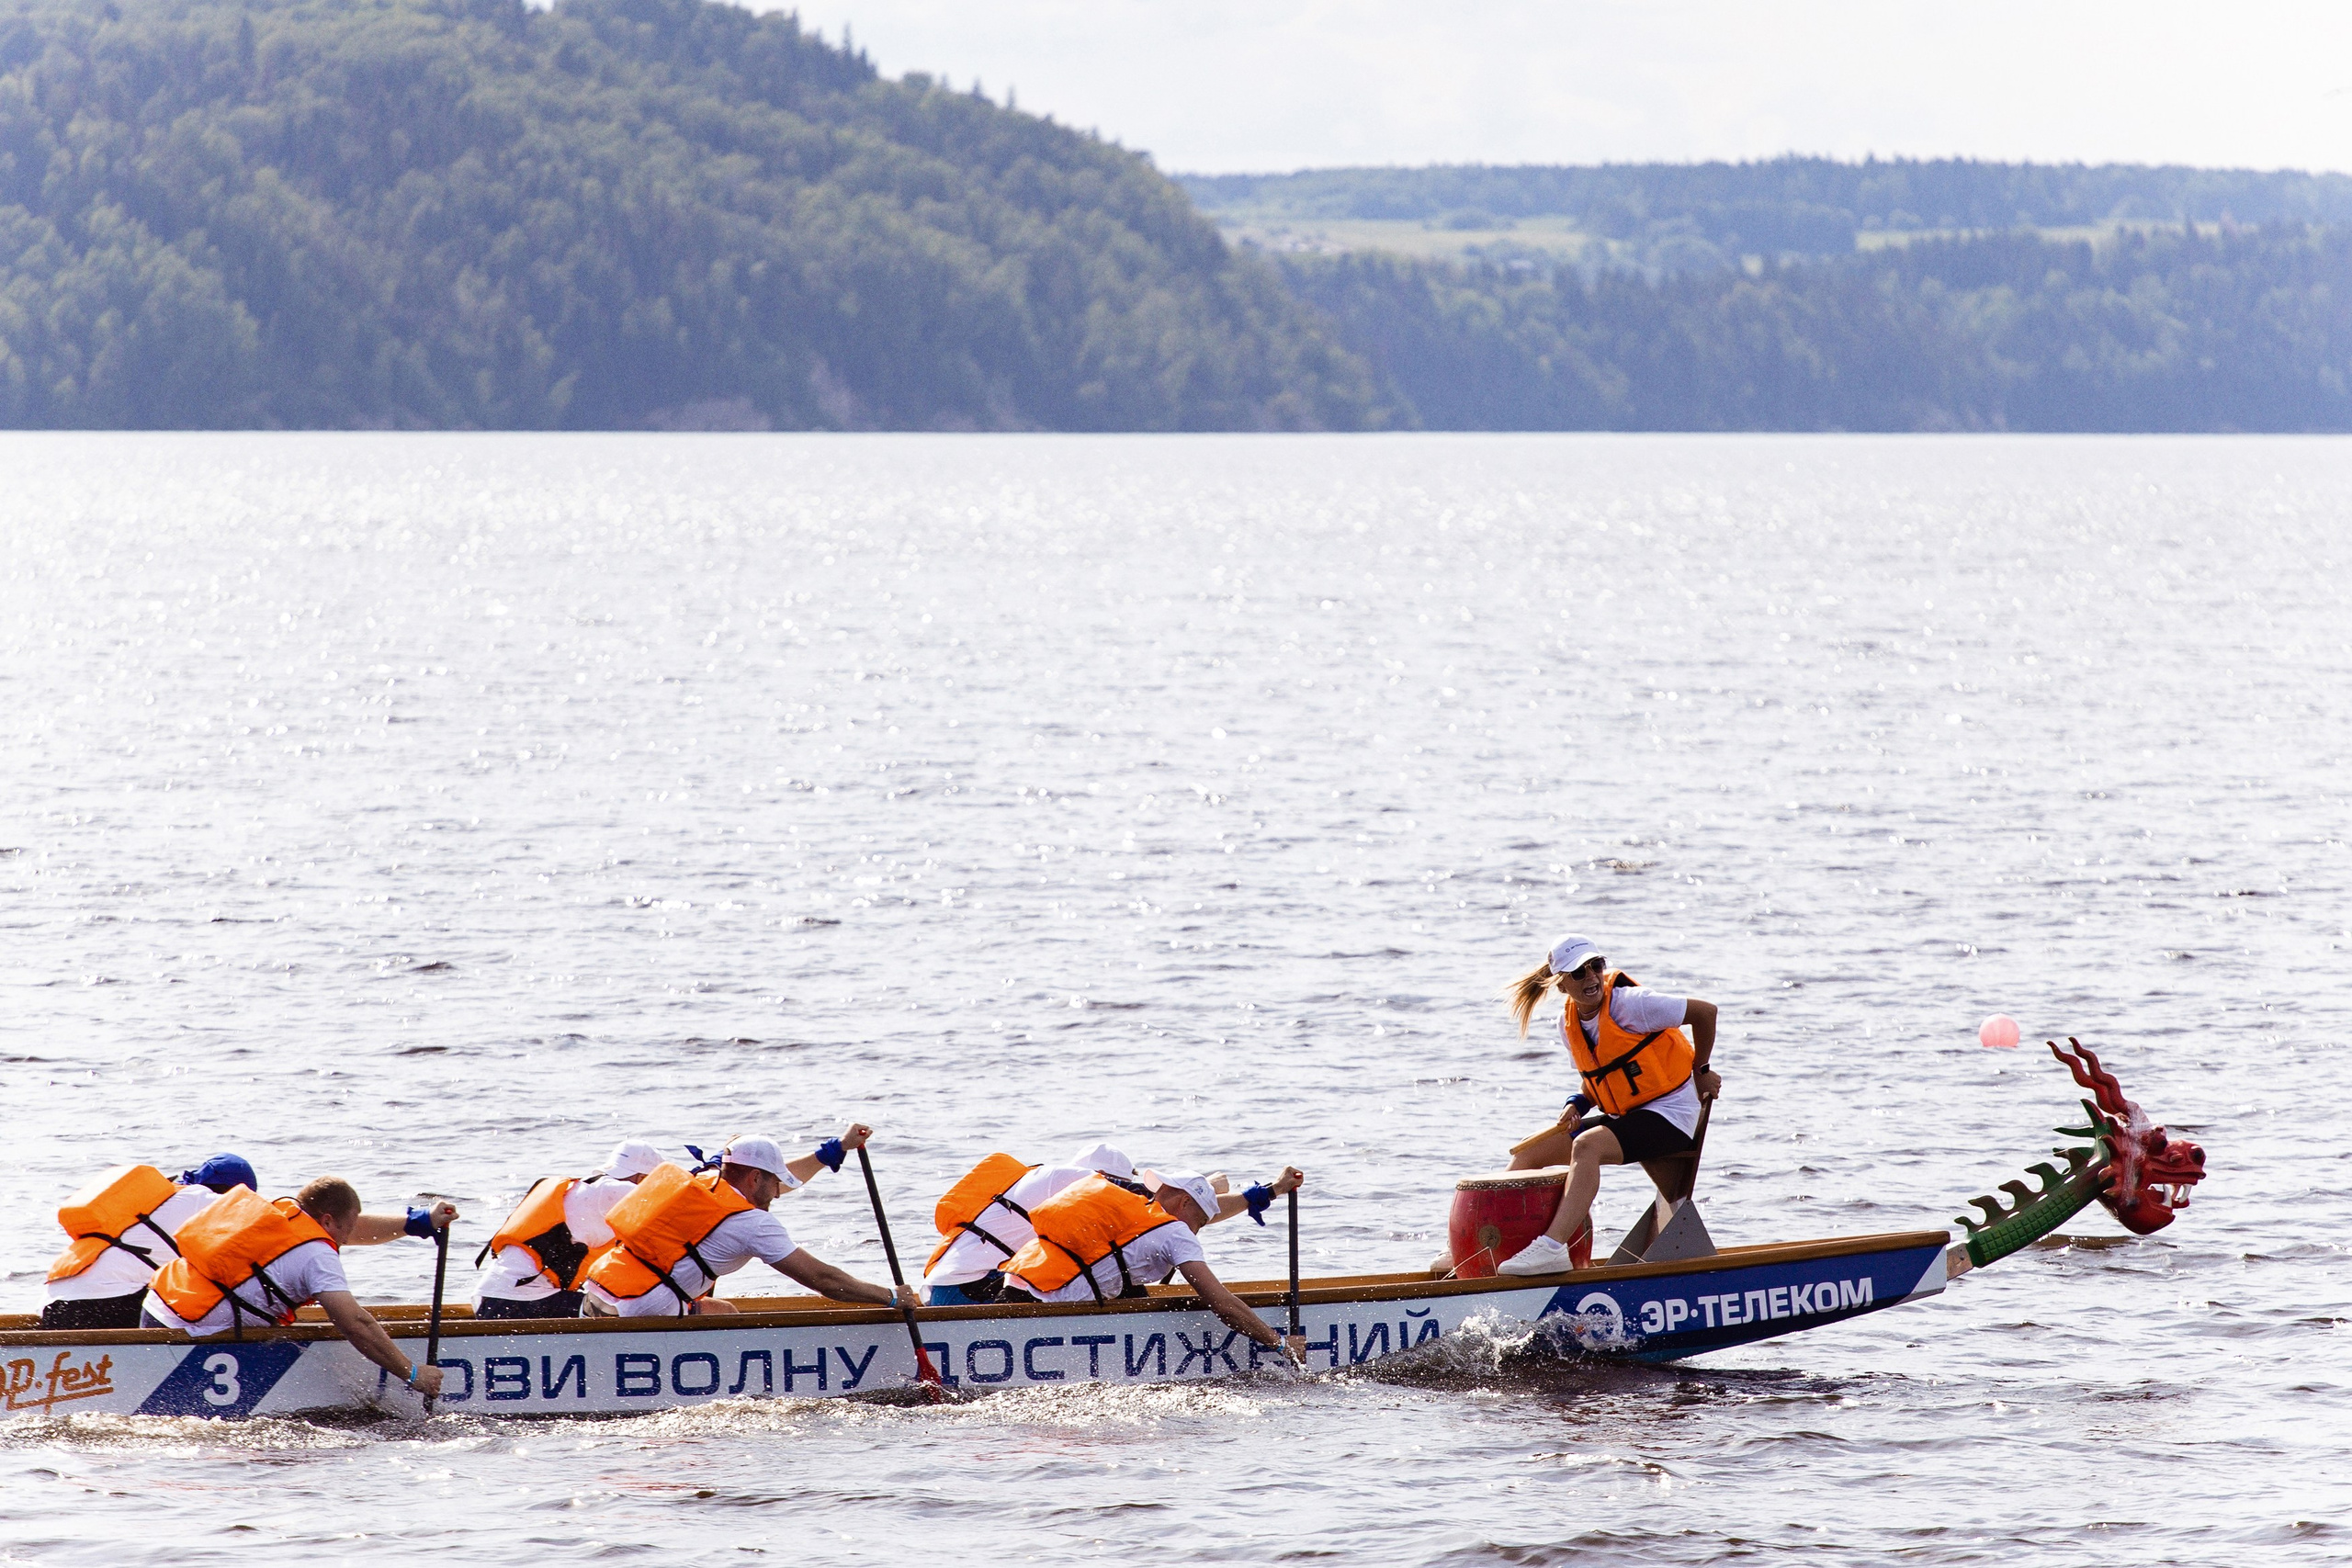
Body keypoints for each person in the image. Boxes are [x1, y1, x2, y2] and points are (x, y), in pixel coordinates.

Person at [1489, 933, 1721, 1276]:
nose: (1592, 977)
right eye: (1579, 973)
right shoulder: (1566, 1025)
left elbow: (1705, 1012)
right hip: (1631, 1115)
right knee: (1529, 1153)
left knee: (1587, 1145)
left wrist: (1700, 1069)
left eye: (1596, 966)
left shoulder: (1632, 1004)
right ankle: (1486, 1247)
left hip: (1672, 1115)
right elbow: (1598, 1079)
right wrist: (1577, 1104)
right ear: (1562, 985)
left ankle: (1552, 1248)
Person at [143, 1178, 459, 1402]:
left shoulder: (284, 1213)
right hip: (183, 1331)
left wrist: (420, 1221)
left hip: (158, 1306)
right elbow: (355, 1324)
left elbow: (353, 1226)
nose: (347, 1240)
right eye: (345, 1230)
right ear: (327, 1219)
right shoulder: (317, 1255)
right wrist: (413, 1373)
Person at [577, 1134, 917, 1318]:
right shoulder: (753, 1224)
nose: (779, 1195)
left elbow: (782, 1180)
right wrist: (890, 1297)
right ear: (755, 1178)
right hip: (644, 1307)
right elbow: (822, 1280)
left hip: (598, 1290)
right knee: (726, 1317)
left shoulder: (704, 1180)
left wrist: (834, 1150)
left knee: (721, 1309)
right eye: (774, 1185)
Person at [998, 1166, 1307, 1363]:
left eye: (1164, 1189)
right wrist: (1280, 1343)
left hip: (1019, 1289)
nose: (1154, 1193)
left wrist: (1271, 1190)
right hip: (1046, 1307)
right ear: (1187, 1205)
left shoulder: (1142, 1213)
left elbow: (1206, 1214)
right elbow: (1222, 1304)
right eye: (1199, 1223)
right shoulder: (1175, 1232)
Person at [40, 1156, 261, 1330]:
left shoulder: (154, 1201)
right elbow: (264, 1221)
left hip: (54, 1307)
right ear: (231, 1192)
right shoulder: (202, 1199)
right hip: (104, 1306)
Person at [922, 1141, 1136, 1304]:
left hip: (948, 1290)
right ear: (1103, 1175)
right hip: (964, 1292)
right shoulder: (1059, 1176)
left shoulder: (1061, 1197)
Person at [472, 1140, 664, 1320]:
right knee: (632, 1312)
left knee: (612, 1303)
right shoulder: (613, 1191)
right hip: (515, 1302)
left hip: (492, 1299)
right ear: (642, 1178)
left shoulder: (587, 1188)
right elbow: (672, 1203)